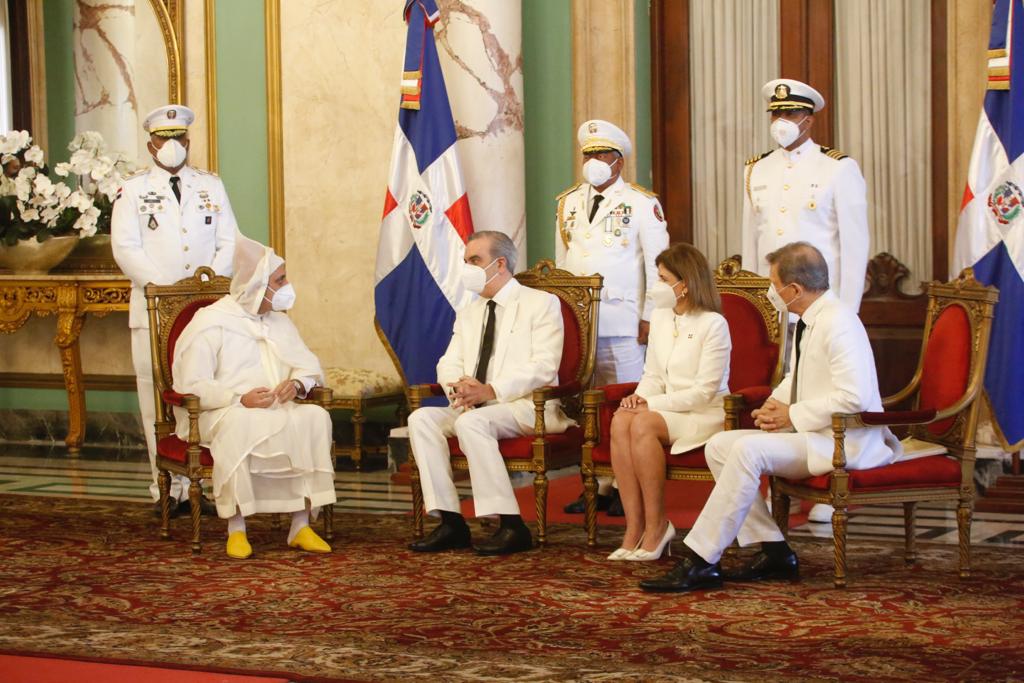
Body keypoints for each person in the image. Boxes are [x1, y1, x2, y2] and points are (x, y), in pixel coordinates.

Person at [639, 242, 901, 593]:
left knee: (747, 451)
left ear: (794, 289)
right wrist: (775, 403)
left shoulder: (839, 322)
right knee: (720, 446)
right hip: (815, 434)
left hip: (843, 441)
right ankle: (775, 551)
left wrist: (792, 414)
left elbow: (853, 397)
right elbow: (796, 375)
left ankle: (701, 558)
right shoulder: (811, 318)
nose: (771, 292)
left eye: (774, 285)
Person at [741, 78, 870, 523]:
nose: (782, 121)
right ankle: (783, 481)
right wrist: (759, 305)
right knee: (783, 388)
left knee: (822, 393)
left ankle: (827, 490)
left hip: (821, 304)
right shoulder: (756, 169)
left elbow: (854, 245)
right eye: (776, 114)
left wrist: (844, 313)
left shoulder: (838, 168)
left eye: (791, 114)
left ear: (809, 120)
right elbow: (752, 242)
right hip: (777, 303)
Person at [407, 230, 574, 556]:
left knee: (471, 423)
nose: (467, 267)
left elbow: (544, 366)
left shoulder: (540, 303)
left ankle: (511, 525)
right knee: (421, 419)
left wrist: (490, 390)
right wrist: (459, 388)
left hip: (526, 406)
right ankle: (451, 522)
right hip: (473, 405)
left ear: (499, 264)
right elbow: (448, 362)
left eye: (475, 260)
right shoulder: (469, 312)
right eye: (466, 261)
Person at [171, 235, 337, 559]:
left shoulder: (279, 322)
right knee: (241, 424)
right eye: (280, 280)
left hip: (276, 406)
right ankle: (236, 529)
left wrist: (298, 385)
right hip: (222, 410)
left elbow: (309, 365)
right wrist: (238, 398)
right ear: (259, 285)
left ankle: (301, 525)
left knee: (315, 417)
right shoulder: (211, 322)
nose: (287, 285)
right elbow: (192, 384)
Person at [112, 104, 237, 518]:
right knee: (157, 399)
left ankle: (211, 484)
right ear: (150, 144)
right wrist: (166, 292)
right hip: (153, 311)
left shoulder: (210, 185)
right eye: (163, 139)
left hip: (206, 310)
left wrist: (203, 287)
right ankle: (167, 489)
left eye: (179, 138)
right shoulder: (132, 190)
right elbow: (125, 248)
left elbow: (229, 240)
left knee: (206, 393)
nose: (172, 145)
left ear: (188, 140)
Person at [556, 119, 670, 516]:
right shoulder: (567, 202)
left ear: (618, 161)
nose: (593, 161)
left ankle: (627, 485)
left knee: (627, 403)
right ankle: (597, 484)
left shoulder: (640, 203)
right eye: (588, 154)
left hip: (624, 322)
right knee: (589, 408)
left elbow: (658, 266)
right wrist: (563, 317)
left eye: (602, 154)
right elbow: (562, 267)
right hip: (582, 325)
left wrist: (650, 315)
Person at [607, 244, 730, 562]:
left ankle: (658, 526)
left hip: (703, 413)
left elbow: (704, 392)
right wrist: (639, 397)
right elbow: (652, 374)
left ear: (684, 284)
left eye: (663, 279)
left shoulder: (713, 324)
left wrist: (650, 405)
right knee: (621, 419)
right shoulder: (661, 317)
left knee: (643, 423)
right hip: (666, 408)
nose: (657, 286)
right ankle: (634, 527)